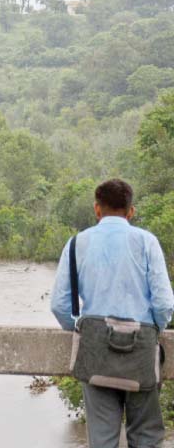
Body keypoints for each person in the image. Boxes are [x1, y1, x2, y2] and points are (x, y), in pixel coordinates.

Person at [51, 179, 174, 448]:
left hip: (96, 351)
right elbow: (164, 304)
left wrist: (83, 329)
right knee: (146, 438)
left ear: (97, 209)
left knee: (102, 440)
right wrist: (151, 330)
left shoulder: (76, 244)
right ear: (131, 211)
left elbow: (59, 304)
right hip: (141, 351)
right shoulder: (147, 242)